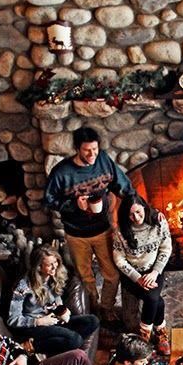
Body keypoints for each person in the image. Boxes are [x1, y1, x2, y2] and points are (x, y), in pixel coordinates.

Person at [43, 126, 135, 324]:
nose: (92, 154)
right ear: (77, 148)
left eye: (95, 149)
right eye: (87, 150)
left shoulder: (103, 160)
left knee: (112, 274)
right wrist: (73, 205)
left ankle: (107, 308)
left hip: (103, 230)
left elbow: (123, 186)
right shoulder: (62, 173)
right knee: (86, 276)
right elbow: (49, 201)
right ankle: (94, 310)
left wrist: (137, 205)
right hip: (76, 235)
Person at [7, 243, 99, 357]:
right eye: (50, 265)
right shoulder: (23, 286)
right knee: (76, 340)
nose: (55, 267)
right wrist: (38, 322)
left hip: (52, 321)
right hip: (33, 327)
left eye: (56, 262)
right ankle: (32, 347)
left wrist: (62, 311)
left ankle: (58, 345)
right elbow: (12, 319)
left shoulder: (53, 277)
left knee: (93, 321)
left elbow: (56, 302)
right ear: (39, 267)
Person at [113, 194, 172, 356]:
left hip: (154, 271)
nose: (136, 218)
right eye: (131, 214)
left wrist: (155, 272)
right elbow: (119, 259)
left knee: (153, 298)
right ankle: (159, 334)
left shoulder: (159, 222)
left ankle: (143, 337)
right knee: (155, 300)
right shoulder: (121, 231)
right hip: (132, 275)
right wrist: (137, 278)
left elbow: (166, 249)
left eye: (139, 212)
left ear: (145, 208)